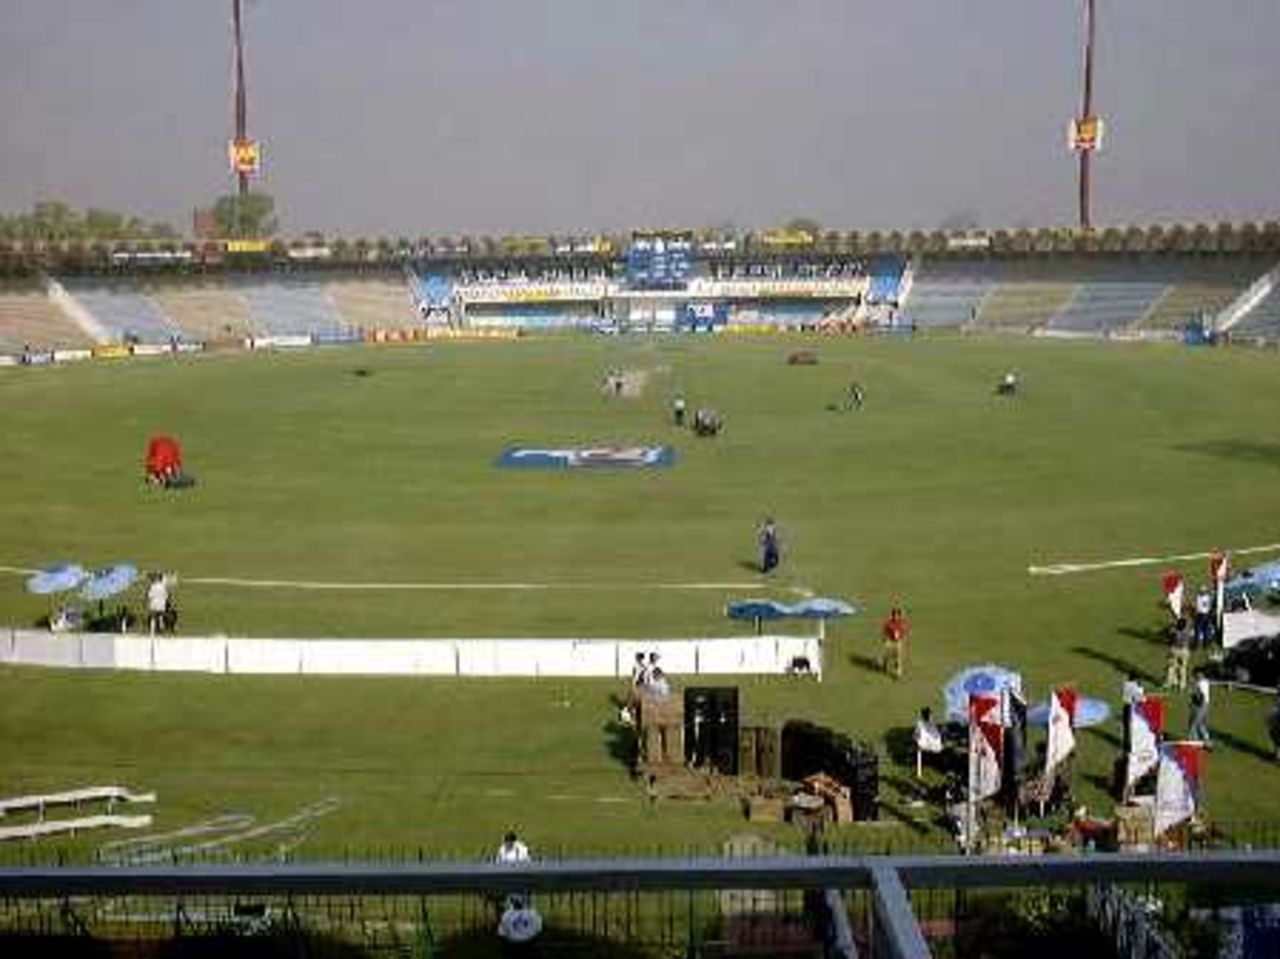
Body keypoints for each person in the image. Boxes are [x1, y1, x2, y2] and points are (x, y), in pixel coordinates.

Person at [913, 706, 943, 779]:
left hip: (923, 746)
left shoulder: (919, 723)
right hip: (937, 748)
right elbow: (936, 735)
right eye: (931, 715)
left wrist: (916, 740)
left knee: (918, 745)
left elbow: (915, 735)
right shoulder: (932, 724)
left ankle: (919, 772)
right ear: (929, 715)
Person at [1164, 617, 1192, 691]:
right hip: (1184, 650)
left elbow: (1169, 633)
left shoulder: (1175, 631)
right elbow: (1188, 627)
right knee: (1183, 668)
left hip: (1175, 649)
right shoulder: (1187, 631)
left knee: (1171, 667)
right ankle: (1182, 685)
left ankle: (1170, 683)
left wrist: (1172, 624)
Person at [882, 606, 909, 679]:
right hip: (890, 640)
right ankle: (885, 663)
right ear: (893, 615)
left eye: (897, 615)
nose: (896, 617)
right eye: (895, 615)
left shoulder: (902, 623)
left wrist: (901, 638)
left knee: (898, 655)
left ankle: (898, 671)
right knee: (888, 654)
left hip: (898, 641)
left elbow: (905, 631)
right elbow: (885, 631)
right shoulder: (889, 622)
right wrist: (885, 639)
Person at [1188, 669, 1211, 746]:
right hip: (1204, 705)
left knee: (1193, 725)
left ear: (1201, 674)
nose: (1197, 676)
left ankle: (1193, 742)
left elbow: (1200, 696)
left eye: (1197, 674)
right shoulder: (1204, 682)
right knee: (1201, 725)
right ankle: (1207, 743)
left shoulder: (1201, 683)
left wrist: (1193, 701)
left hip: (1200, 705)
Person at [147, 572, 170, 637]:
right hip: (161, 604)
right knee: (160, 617)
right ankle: (162, 631)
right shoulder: (163, 587)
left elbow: (149, 595)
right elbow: (166, 596)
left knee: (153, 618)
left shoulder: (153, 586)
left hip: (154, 604)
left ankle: (152, 632)